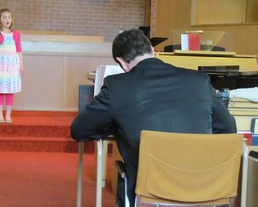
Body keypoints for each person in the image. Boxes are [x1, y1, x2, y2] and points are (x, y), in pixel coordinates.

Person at [70, 29, 237, 207]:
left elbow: (79, 130)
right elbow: (228, 128)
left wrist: (116, 125)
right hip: (206, 190)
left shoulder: (117, 86)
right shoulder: (198, 80)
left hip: (151, 194)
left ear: (120, 62)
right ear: (152, 49)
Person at [0, 8, 24, 123]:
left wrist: (21, 65)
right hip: (0, 66)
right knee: (0, 90)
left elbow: (19, 50)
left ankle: (8, 115)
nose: (7, 19)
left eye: (9, 17)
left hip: (12, 66)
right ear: (0, 19)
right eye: (4, 17)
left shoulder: (16, 34)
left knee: (10, 90)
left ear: (12, 19)